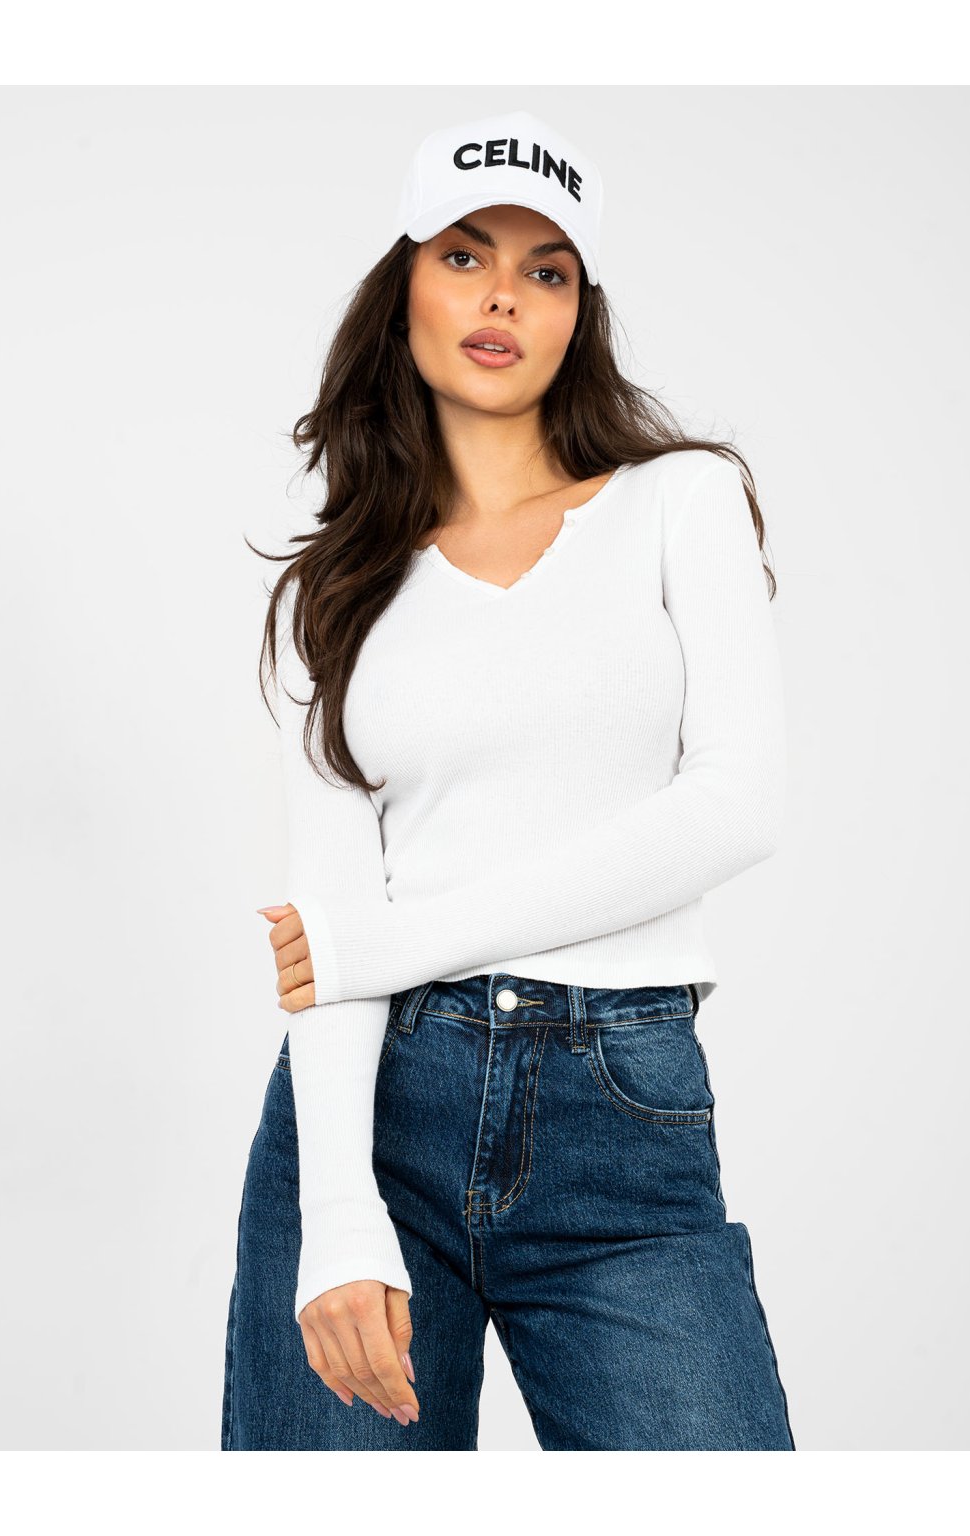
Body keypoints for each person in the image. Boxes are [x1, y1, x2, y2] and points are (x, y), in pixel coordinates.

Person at [221, 109, 796, 1452]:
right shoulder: (339, 585)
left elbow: (738, 803)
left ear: (578, 314)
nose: (502, 296)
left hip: (621, 1112)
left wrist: (397, 942)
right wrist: (338, 1215)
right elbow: (331, 922)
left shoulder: (680, 501)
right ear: (405, 287)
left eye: (547, 270)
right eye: (465, 255)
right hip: (372, 1110)